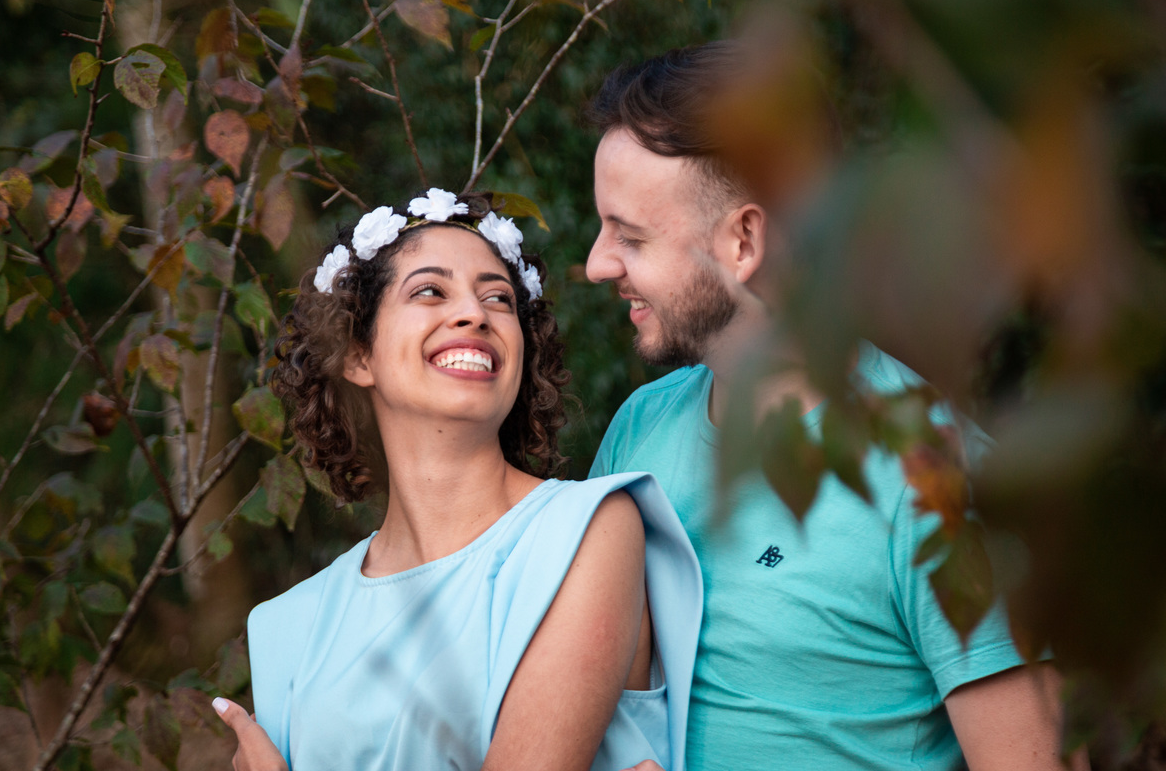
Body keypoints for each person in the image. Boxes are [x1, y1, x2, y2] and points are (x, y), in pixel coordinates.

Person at [585, 44, 1090, 771]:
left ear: (744, 241)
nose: (599, 263)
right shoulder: (639, 427)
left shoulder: (936, 480)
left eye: (630, 236)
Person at [212, 189, 702, 771]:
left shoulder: (586, 533)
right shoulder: (287, 625)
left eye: (498, 299)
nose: (475, 313)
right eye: (429, 290)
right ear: (357, 355)